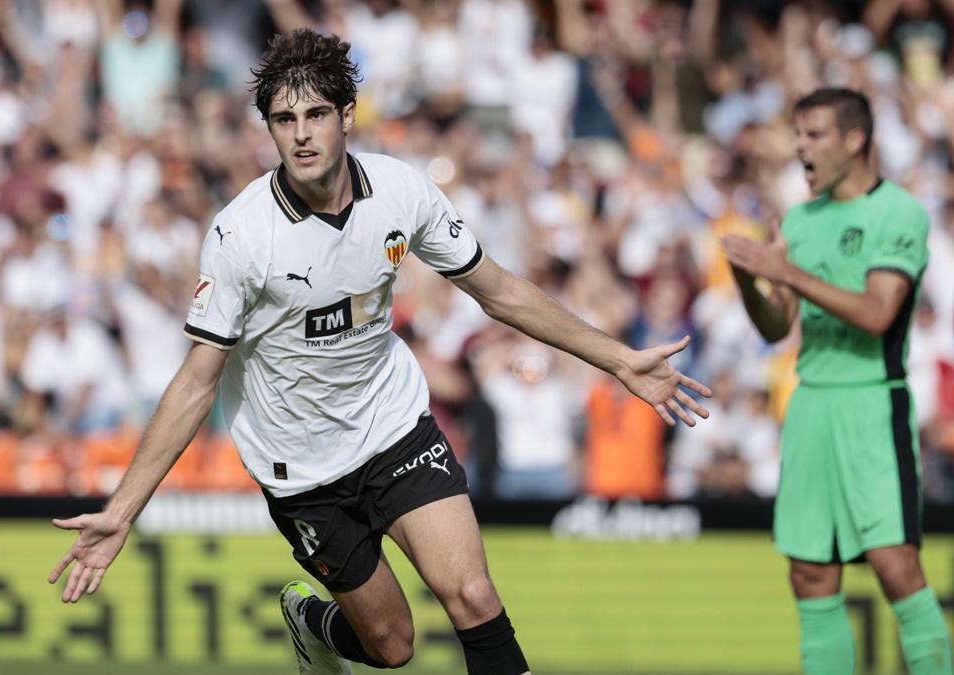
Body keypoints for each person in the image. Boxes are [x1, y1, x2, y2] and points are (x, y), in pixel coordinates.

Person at [49, 29, 710, 675]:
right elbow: (196, 383)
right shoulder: (241, 236)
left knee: (474, 594)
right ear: (270, 130)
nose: (301, 133)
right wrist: (121, 510)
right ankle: (312, 623)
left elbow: (500, 291)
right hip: (302, 469)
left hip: (394, 428)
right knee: (394, 644)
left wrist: (618, 358)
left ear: (346, 116)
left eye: (315, 114)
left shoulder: (402, 193)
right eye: (284, 119)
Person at [722, 87, 952, 675]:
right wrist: (752, 282)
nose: (801, 147)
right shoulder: (799, 220)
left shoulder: (897, 213)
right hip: (810, 407)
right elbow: (778, 327)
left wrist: (786, 270)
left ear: (855, 140)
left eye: (815, 134)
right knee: (809, 572)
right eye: (798, 134)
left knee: (895, 566)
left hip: (873, 406)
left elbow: (878, 314)